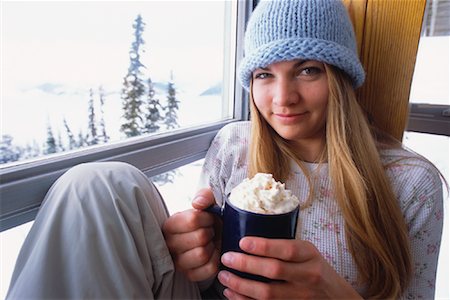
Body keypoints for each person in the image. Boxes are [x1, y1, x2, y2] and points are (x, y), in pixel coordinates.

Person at [7, 0, 444, 299]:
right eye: (263, 76)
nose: (282, 98)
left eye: (307, 70)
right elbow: (204, 279)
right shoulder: (235, 145)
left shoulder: (410, 182)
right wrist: (195, 254)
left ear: (341, 78)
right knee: (98, 183)